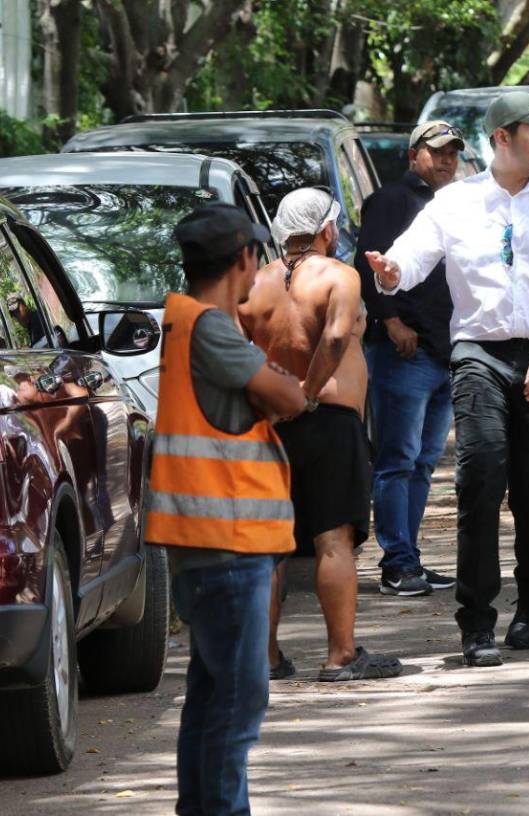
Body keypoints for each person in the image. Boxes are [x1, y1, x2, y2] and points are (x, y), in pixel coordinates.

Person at [364, 91, 529, 667]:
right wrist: (391, 273)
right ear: (503, 138)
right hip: (478, 355)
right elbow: (410, 259)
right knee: (480, 481)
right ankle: (476, 623)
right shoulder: (457, 203)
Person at [145, 203, 307, 815]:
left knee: (213, 700)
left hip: (213, 541)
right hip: (227, 542)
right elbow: (286, 393)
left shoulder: (189, 323)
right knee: (238, 704)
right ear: (243, 258)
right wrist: (276, 386)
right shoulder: (210, 327)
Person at [242, 187, 402, 683]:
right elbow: (334, 337)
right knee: (334, 541)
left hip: (272, 425)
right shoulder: (340, 275)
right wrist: (308, 392)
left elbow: (229, 344)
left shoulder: (255, 283)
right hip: (329, 418)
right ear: (327, 230)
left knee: (272, 547)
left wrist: (270, 399)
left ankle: (265, 658)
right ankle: (341, 655)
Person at [357, 120, 465, 597]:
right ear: (413, 155)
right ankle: (396, 563)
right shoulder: (391, 201)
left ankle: (411, 557)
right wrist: (391, 321)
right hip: (404, 350)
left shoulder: (457, 204)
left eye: (453, 153)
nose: (446, 160)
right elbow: (369, 266)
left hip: (446, 350)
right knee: (396, 460)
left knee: (422, 461)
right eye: (437, 152)